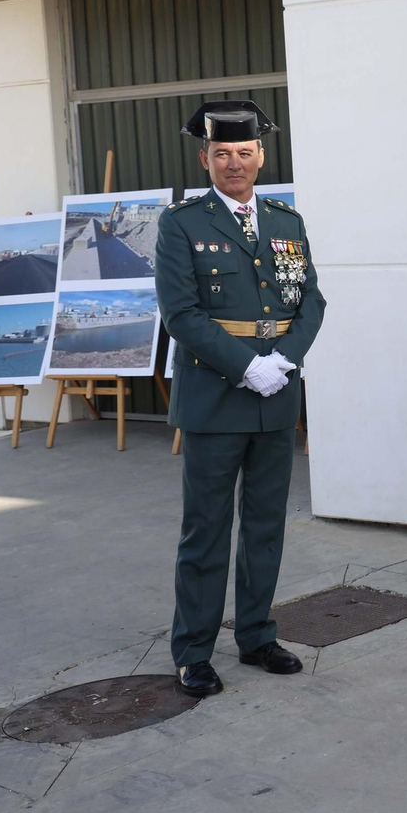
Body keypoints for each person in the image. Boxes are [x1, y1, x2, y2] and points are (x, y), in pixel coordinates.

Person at [155, 100, 327, 698]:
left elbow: (311, 303)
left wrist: (284, 360)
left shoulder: (286, 220)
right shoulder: (181, 223)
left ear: (261, 156)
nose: (234, 163)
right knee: (205, 528)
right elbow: (181, 313)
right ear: (205, 159)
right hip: (215, 394)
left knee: (264, 525)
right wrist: (245, 366)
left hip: (276, 391)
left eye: (244, 153)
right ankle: (193, 651)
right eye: (222, 153)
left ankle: (257, 635)